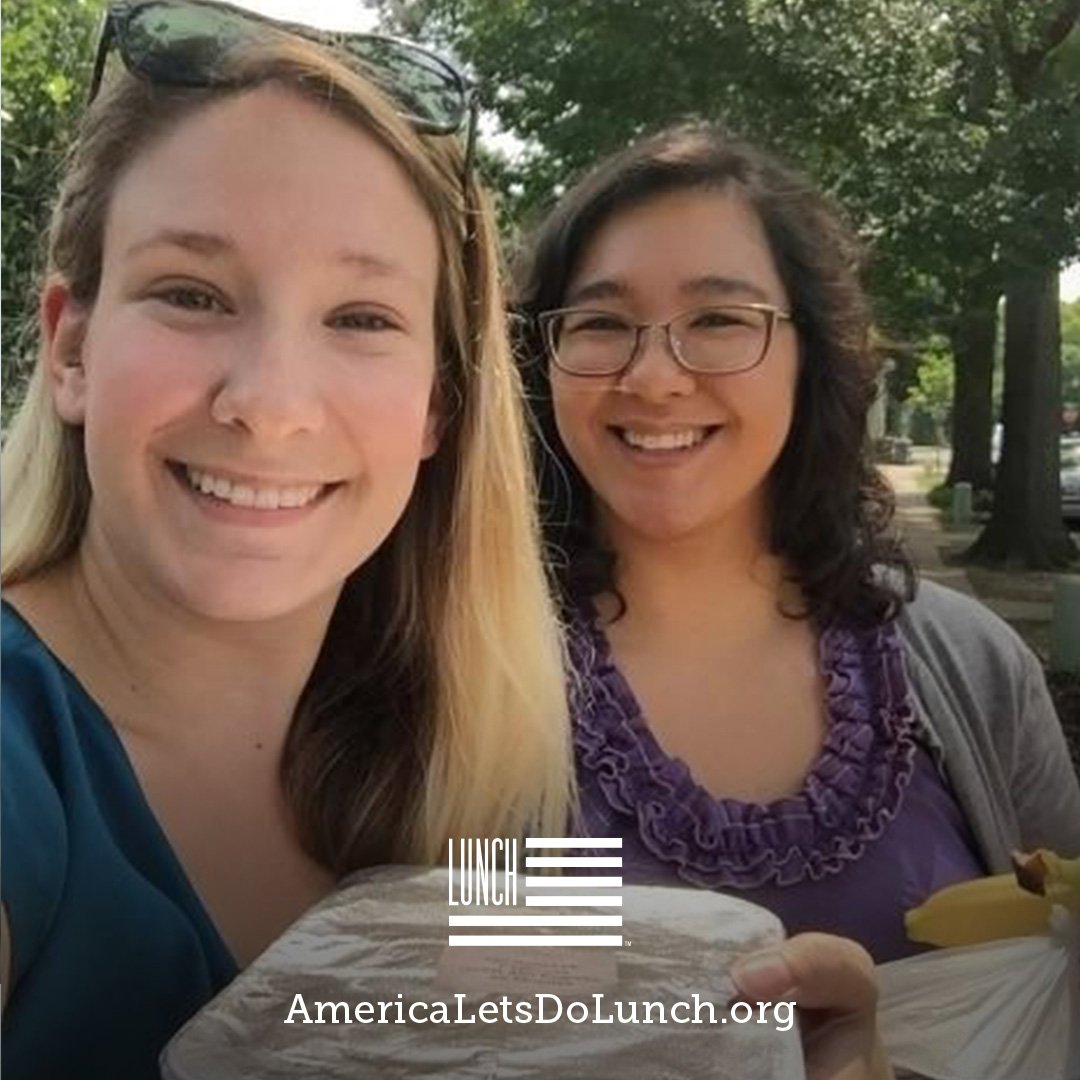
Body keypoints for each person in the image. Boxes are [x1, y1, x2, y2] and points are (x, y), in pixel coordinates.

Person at [0, 4, 576, 1075]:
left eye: (361, 318)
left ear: (439, 408)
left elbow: (558, 1037)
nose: (269, 404)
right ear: (71, 349)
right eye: (190, 293)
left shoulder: (482, 768)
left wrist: (755, 1030)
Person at [515, 125, 1080, 964]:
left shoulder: (974, 670)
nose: (656, 377)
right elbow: (474, 1000)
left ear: (808, 355)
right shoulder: (471, 682)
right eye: (602, 321)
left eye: (717, 318)